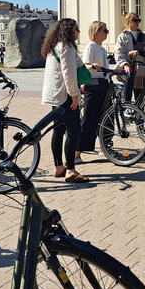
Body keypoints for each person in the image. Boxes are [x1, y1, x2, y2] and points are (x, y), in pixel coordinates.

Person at [41, 18, 88, 182]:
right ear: (69, 30)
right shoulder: (66, 47)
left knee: (59, 130)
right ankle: (70, 170)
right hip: (65, 95)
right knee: (73, 131)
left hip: (55, 96)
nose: (78, 32)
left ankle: (59, 167)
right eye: (76, 28)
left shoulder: (54, 46)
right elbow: (69, 74)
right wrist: (74, 95)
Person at [75, 21, 110, 164]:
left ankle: (104, 147)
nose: (107, 33)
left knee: (105, 118)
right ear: (96, 32)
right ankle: (77, 153)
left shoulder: (102, 49)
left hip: (103, 85)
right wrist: (93, 66)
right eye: (104, 30)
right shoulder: (91, 47)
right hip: (92, 86)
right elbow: (85, 65)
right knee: (89, 119)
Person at [115, 11, 145, 102]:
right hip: (128, 65)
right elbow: (118, 53)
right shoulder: (123, 36)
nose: (137, 23)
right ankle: (127, 104)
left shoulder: (143, 35)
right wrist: (125, 64)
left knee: (139, 90)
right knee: (130, 76)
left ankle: (139, 111)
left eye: (138, 20)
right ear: (128, 22)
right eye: (135, 20)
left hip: (141, 66)